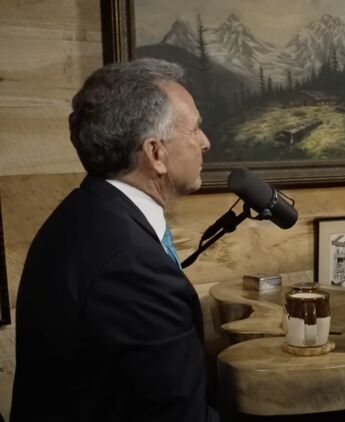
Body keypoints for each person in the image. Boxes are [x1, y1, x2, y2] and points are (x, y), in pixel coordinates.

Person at [11, 58, 219, 421]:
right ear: (156, 154)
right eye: (195, 129)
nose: (205, 142)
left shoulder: (86, 211)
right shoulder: (131, 262)